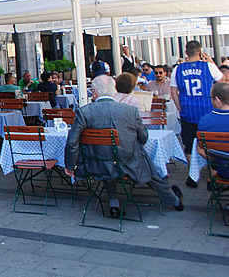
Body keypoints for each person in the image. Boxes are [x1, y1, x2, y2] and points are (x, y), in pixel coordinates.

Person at [64, 75, 184, 218]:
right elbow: (144, 137)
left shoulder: (85, 112)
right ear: (113, 90)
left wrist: (70, 166)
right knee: (142, 157)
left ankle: (114, 203)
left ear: (95, 93)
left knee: (107, 157)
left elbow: (72, 142)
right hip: (129, 162)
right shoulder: (129, 111)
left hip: (97, 163)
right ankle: (173, 199)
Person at [171, 40, 223, 188]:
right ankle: (213, 174)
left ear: (186, 52)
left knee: (189, 144)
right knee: (210, 143)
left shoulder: (177, 70)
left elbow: (174, 91)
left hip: (188, 110)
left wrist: (180, 107)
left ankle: (192, 176)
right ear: (200, 51)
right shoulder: (209, 66)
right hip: (206, 111)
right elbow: (222, 80)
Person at [196, 82, 229, 179]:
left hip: (223, 170)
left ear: (217, 100)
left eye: (211, 98)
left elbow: (200, 150)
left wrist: (216, 160)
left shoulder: (205, 121)